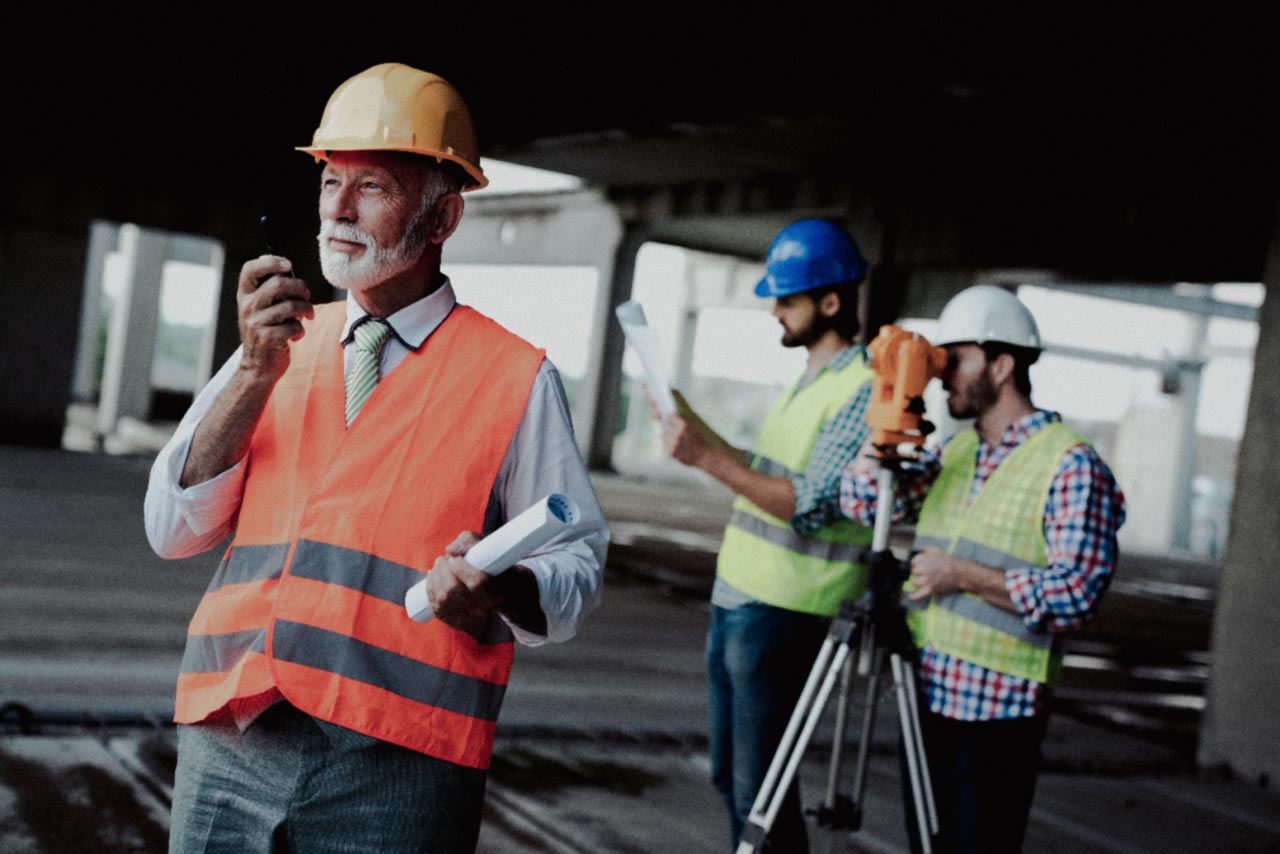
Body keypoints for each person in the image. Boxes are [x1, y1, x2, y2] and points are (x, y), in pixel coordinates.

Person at [144, 62, 607, 854]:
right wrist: (254, 371)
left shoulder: (514, 378)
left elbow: (579, 565)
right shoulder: (275, 345)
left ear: (442, 217)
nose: (339, 211)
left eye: (375, 188)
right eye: (331, 183)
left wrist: (503, 590)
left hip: (400, 765)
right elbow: (172, 527)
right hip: (233, 737)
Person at [838, 284, 1126, 853]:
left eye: (956, 358)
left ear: (1002, 364)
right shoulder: (956, 452)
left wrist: (962, 575)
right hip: (928, 693)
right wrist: (890, 409)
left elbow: (1078, 595)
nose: (941, 373)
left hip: (1000, 710)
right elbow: (862, 502)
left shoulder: (1070, 466)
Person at [656, 219, 876, 852]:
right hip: (741, 598)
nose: (774, 310)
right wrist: (686, 423)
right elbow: (759, 474)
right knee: (733, 780)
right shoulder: (810, 382)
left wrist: (705, 459)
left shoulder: (862, 390)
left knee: (763, 791)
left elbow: (805, 505)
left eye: (788, 299)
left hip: (787, 610)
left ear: (830, 302)